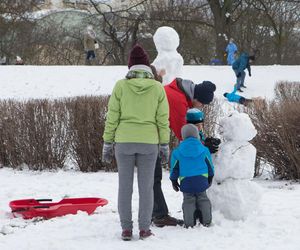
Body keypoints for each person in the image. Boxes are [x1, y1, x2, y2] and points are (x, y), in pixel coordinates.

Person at [102, 44, 170, 240]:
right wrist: (164, 144)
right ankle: (144, 229)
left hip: (124, 143)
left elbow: (112, 116)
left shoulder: (121, 86)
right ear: (148, 67)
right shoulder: (157, 88)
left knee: (125, 186)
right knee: (146, 187)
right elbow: (162, 119)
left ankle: (125, 229)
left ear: (130, 67)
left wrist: (108, 142)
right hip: (149, 143)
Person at [151, 78, 218, 227]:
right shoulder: (177, 100)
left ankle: (153, 213)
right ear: (196, 97)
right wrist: (203, 146)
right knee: (153, 177)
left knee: (151, 177)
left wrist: (203, 141)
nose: (201, 107)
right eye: (202, 103)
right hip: (148, 136)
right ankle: (158, 215)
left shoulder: (178, 92)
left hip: (150, 134)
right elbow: (185, 134)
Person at [170, 124, 214, 228]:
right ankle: (206, 221)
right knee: (203, 198)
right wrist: (210, 176)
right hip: (201, 179)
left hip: (186, 180)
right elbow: (210, 166)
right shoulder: (204, 150)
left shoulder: (177, 152)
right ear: (196, 135)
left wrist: (173, 180)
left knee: (188, 200)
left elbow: (174, 168)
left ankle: (189, 223)